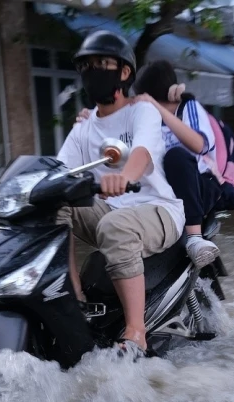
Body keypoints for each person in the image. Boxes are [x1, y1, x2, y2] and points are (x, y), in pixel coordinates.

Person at [56, 31, 186, 354]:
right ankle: (75, 296)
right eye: (86, 66)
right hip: (111, 210)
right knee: (55, 203)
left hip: (158, 209)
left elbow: (141, 153)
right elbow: (58, 171)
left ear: (124, 73)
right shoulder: (82, 127)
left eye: (101, 63)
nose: (92, 71)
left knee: (114, 227)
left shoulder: (142, 111)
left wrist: (124, 176)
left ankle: (135, 332)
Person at [130, 60, 222, 269]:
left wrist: (157, 109)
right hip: (167, 192)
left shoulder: (188, 108)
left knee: (175, 157)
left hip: (200, 187)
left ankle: (194, 238)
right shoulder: (147, 120)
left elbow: (200, 145)